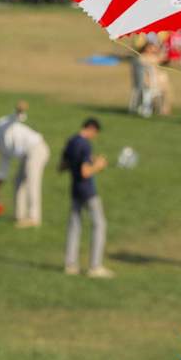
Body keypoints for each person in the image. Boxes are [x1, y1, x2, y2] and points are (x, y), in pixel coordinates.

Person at [0, 108, 50, 226]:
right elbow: (3, 169)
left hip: (36, 148)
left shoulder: (0, 125)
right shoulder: (0, 146)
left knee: (32, 182)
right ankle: (19, 216)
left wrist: (19, 111)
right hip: (26, 155)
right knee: (17, 182)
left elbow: (14, 118)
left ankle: (34, 218)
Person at [61, 117, 112, 278]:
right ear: (91, 128)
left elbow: (62, 165)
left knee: (74, 226)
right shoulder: (85, 144)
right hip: (88, 190)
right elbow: (85, 172)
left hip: (74, 188)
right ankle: (95, 266)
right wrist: (98, 165)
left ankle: (70, 265)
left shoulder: (72, 141)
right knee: (99, 225)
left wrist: (90, 160)